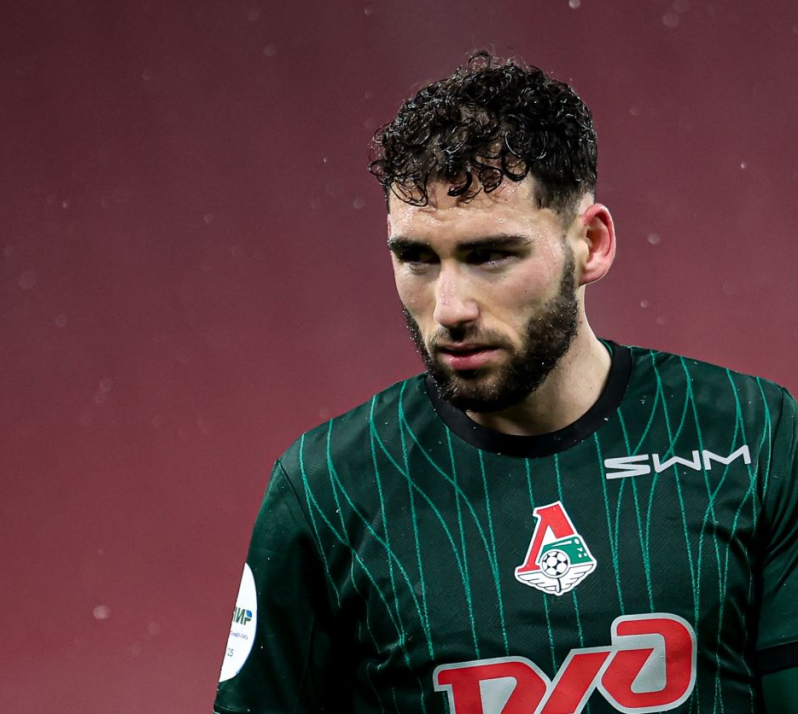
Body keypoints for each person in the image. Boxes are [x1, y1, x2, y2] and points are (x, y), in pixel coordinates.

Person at [212, 54, 798, 713]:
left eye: (490, 255)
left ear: (591, 243)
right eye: (418, 259)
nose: (450, 308)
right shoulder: (327, 489)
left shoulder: (753, 434)